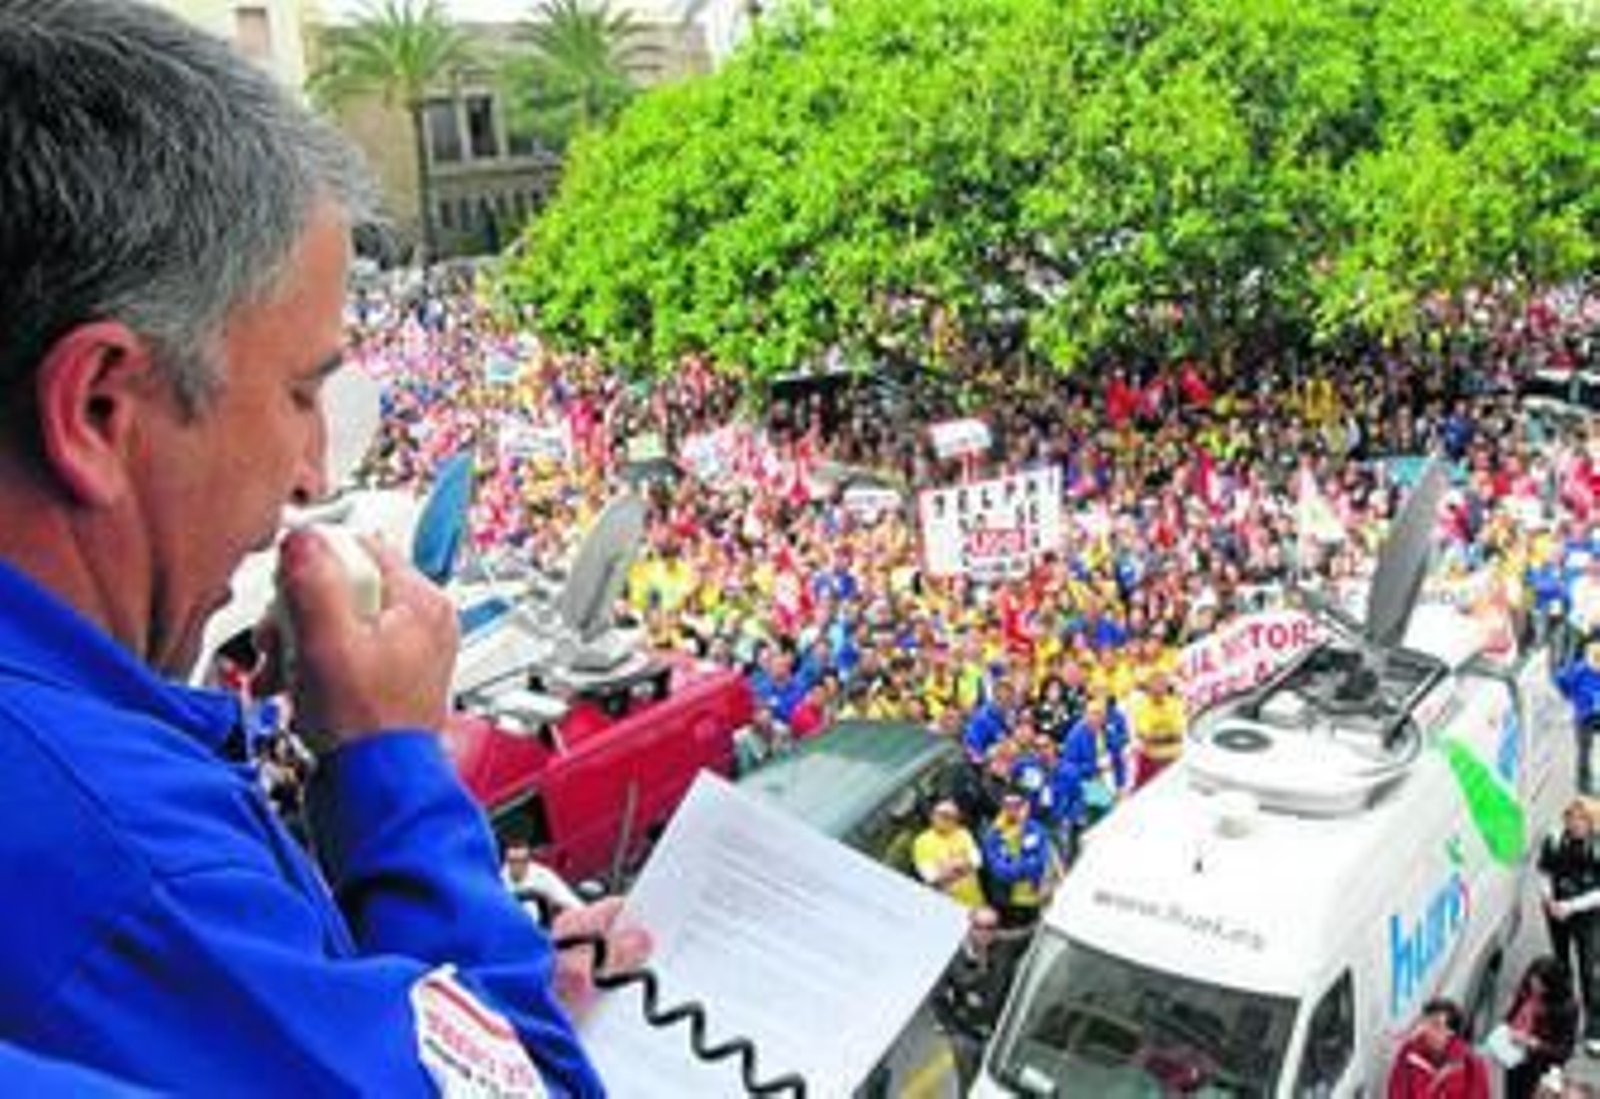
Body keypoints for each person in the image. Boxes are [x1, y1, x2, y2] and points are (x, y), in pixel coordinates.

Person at [0, 3, 643, 1093]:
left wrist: (416, 1006)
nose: (313, 472)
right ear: (100, 409)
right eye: (301, 391)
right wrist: (388, 759)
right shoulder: (138, 861)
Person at [931, 905, 1021, 1092]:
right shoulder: (954, 957)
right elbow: (937, 998)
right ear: (970, 927)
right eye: (980, 926)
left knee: (995, 1087)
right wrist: (953, 1031)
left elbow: (1031, 933)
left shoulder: (1005, 948)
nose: (986, 932)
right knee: (969, 1086)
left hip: (999, 1036)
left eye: (992, 927)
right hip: (967, 1036)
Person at [1537, 799, 1600, 1054]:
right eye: (1571, 817)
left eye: (1581, 819)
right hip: (1556, 912)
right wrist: (1549, 900)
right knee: (1560, 969)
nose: (1575, 823)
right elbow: (1544, 873)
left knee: (1589, 970)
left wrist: (1570, 906)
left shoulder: (1596, 847)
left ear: (1592, 823)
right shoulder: (1554, 838)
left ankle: (1594, 1029)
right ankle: (1564, 1023)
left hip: (1586, 916)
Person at [1498, 956, 1579, 1099]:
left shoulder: (1566, 1009)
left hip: (1541, 1071)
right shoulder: (1526, 992)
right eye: (1532, 981)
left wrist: (1535, 1044)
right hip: (1515, 1061)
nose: (1535, 988)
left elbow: (1565, 1051)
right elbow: (1511, 1016)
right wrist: (1507, 1031)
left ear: (1553, 985)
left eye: (1541, 985)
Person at [1385, 997, 1490, 1099]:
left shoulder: (1470, 1062)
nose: (1427, 1030)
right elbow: (1396, 1093)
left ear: (1450, 1032)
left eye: (1435, 1024)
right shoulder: (1408, 1056)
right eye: (1425, 1022)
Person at [911, 798, 985, 908]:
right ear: (932, 816)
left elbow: (977, 861)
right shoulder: (921, 842)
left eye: (952, 817)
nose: (946, 820)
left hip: (975, 900)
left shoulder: (963, 833)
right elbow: (930, 876)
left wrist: (947, 868)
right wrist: (963, 864)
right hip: (948, 906)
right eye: (942, 815)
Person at [1554, 641, 1600, 794]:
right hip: (1584, 714)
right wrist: (1571, 697)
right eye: (1596, 660)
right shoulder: (1579, 670)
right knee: (1584, 750)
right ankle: (1583, 784)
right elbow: (1560, 681)